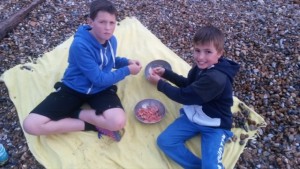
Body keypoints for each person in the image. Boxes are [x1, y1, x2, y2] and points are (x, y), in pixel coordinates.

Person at [23, 0, 142, 142]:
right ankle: (88, 124)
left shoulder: (112, 40)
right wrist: (128, 70)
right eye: (102, 22)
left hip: (100, 90)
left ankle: (75, 113)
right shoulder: (80, 45)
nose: (108, 28)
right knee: (31, 125)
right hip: (74, 88)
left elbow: (108, 60)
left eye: (112, 23)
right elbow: (98, 79)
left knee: (118, 122)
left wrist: (126, 62)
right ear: (90, 22)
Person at [147, 26, 240, 168]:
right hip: (192, 118)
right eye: (197, 50)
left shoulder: (216, 79)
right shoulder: (201, 67)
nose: (200, 57)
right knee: (165, 141)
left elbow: (184, 96)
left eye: (208, 52)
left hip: (215, 126)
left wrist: (160, 84)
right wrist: (166, 73)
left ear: (219, 53)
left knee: (211, 166)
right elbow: (188, 85)